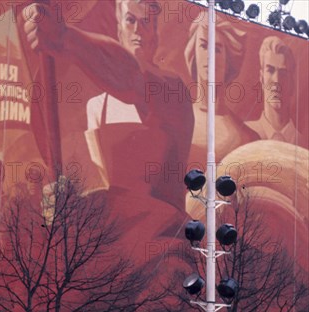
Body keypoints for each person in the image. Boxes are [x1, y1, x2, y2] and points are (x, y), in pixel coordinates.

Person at [23, 0, 194, 212]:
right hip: (112, 234)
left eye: (146, 22)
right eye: (130, 20)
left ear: (155, 33)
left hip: (161, 233)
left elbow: (130, 77)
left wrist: (64, 38)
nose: (138, 29)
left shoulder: (173, 91)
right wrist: (68, 203)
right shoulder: (96, 107)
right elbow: (99, 186)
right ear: (118, 29)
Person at [184, 18, 259, 168]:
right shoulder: (177, 120)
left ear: (229, 60)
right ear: (193, 52)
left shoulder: (247, 138)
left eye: (217, 49)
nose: (210, 56)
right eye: (204, 46)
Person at [246, 36, 307, 147]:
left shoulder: (303, 145)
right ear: (261, 78)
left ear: (292, 83)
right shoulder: (243, 136)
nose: (277, 80)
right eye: (270, 70)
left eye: (283, 73)